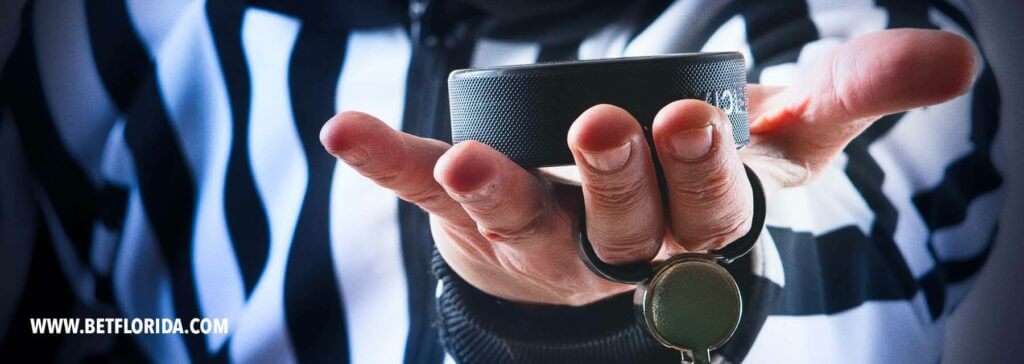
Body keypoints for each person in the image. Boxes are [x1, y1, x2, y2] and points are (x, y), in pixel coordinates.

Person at [0, 0, 1004, 363]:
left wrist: (589, 330)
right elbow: (80, 328)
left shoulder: (843, 33)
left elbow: (826, 285)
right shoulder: (105, 30)